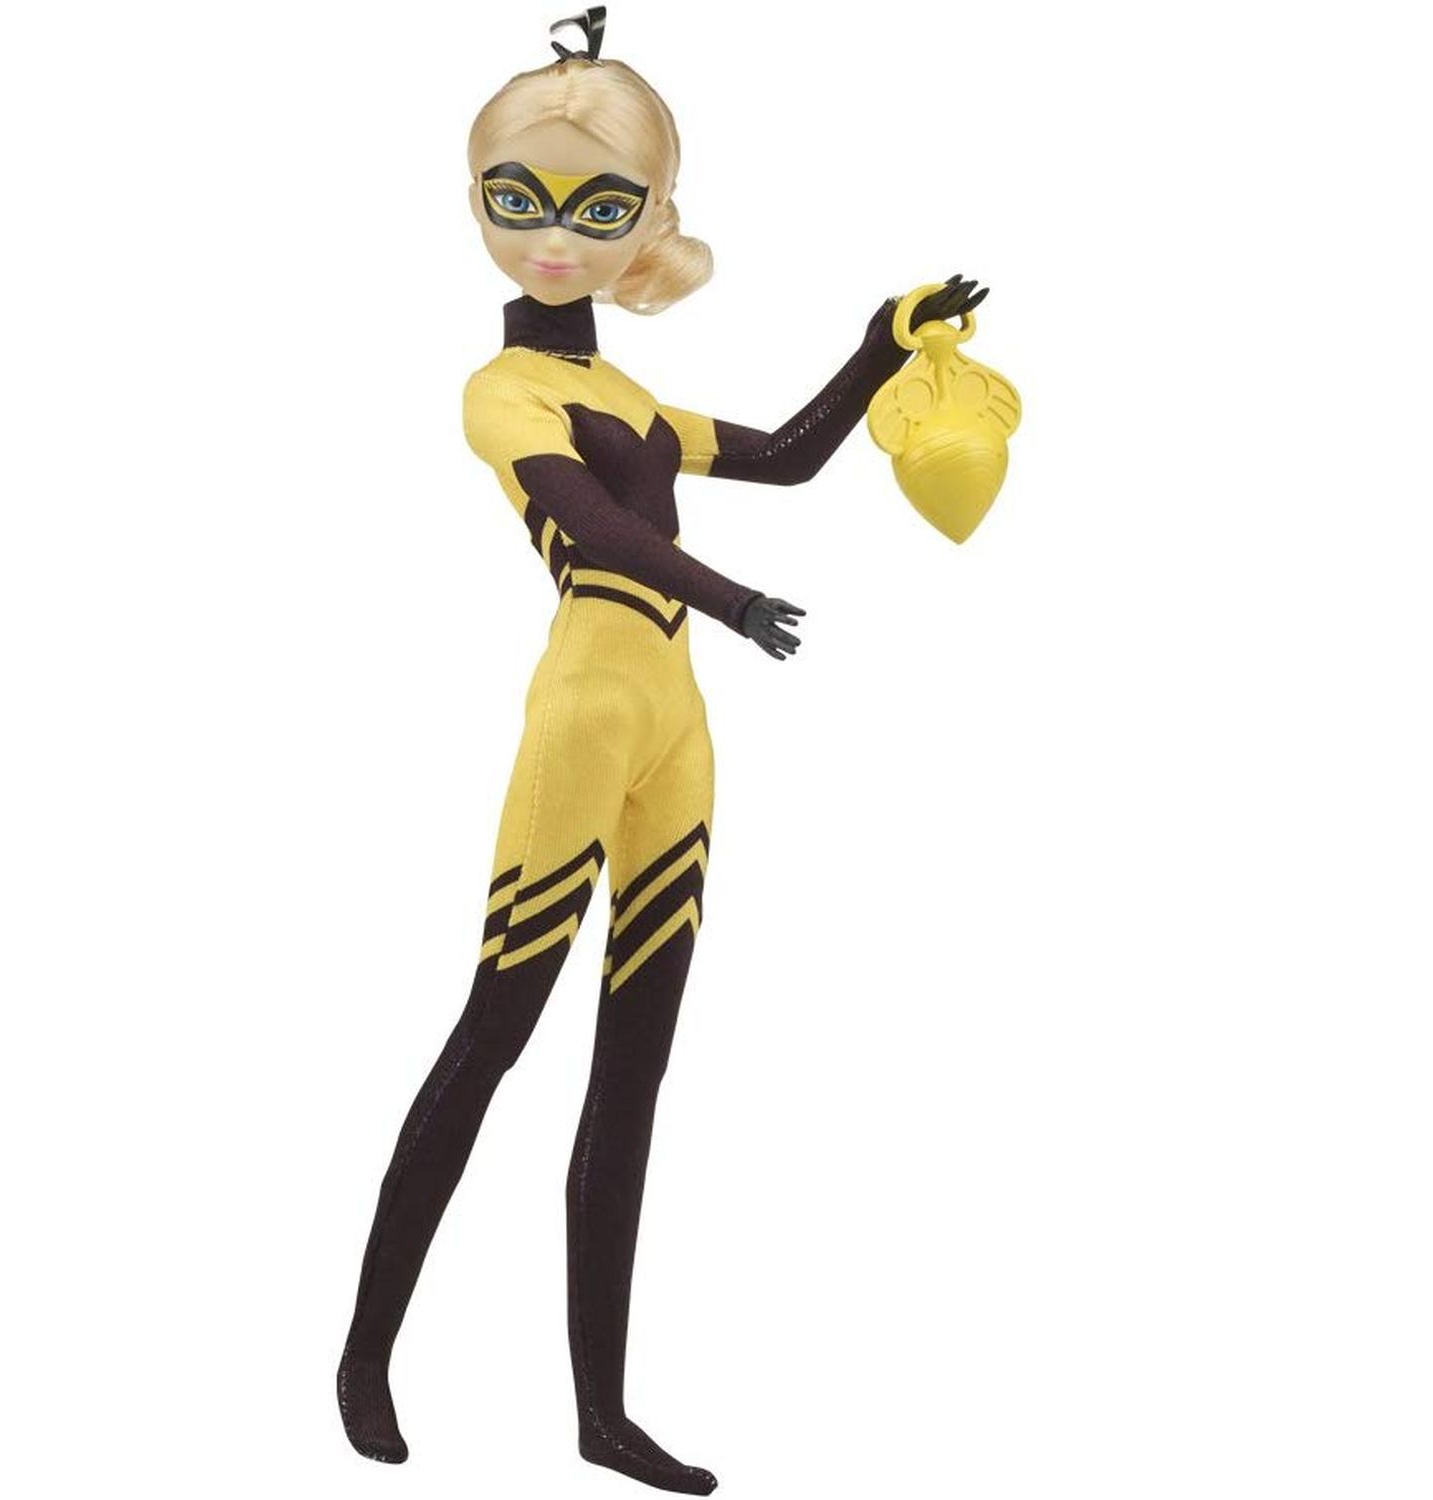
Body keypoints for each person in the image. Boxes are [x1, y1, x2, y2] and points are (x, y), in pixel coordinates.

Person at [337, 12, 987, 1493]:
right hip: (585, 707)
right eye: (517, 198)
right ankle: (367, 1352)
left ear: (650, 218)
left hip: (679, 727)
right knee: (495, 1035)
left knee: (633, 1071)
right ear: (474, 200)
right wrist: (735, 598)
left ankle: (602, 1415)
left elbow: (792, 456)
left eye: (599, 207)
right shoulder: (502, 392)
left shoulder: (635, 399)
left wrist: (881, 342)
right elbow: (594, 529)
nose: (553, 236)